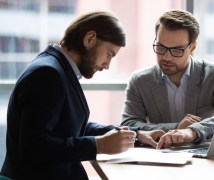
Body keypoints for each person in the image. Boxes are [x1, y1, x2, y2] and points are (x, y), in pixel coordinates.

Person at [0, 10, 165, 179]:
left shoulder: (57, 68)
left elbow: (70, 125)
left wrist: (134, 134)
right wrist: (98, 146)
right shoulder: (48, 74)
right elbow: (34, 148)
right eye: (109, 54)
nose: (107, 65)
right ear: (89, 39)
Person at [121, 9, 214, 149]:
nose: (166, 57)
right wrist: (176, 127)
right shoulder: (139, 81)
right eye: (161, 47)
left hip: (205, 157)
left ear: (192, 47)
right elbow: (129, 124)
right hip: (159, 157)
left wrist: (192, 131)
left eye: (177, 50)